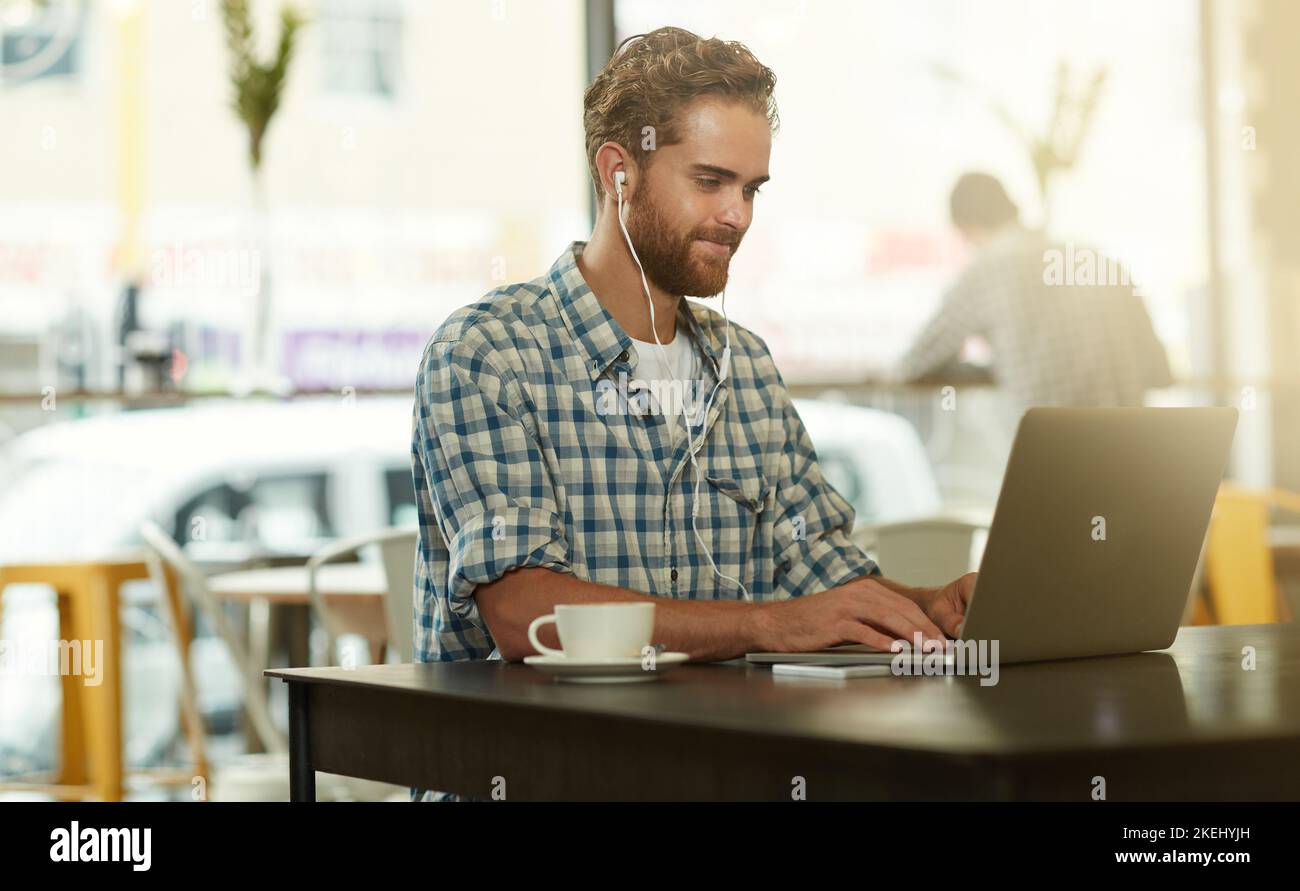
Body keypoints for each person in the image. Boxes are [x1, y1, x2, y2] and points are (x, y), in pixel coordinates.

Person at [410, 28, 975, 799]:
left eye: (751, 189)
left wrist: (926, 606)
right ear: (619, 172)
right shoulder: (488, 353)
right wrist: (768, 624)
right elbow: (524, 614)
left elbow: (826, 583)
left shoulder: (744, 367)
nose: (737, 215)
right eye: (711, 181)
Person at [895, 172, 1174, 419]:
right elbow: (1160, 371)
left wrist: (991, 368)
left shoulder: (985, 272)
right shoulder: (1096, 260)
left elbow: (912, 365)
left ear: (965, 228)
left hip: (1053, 458)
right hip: (1138, 455)